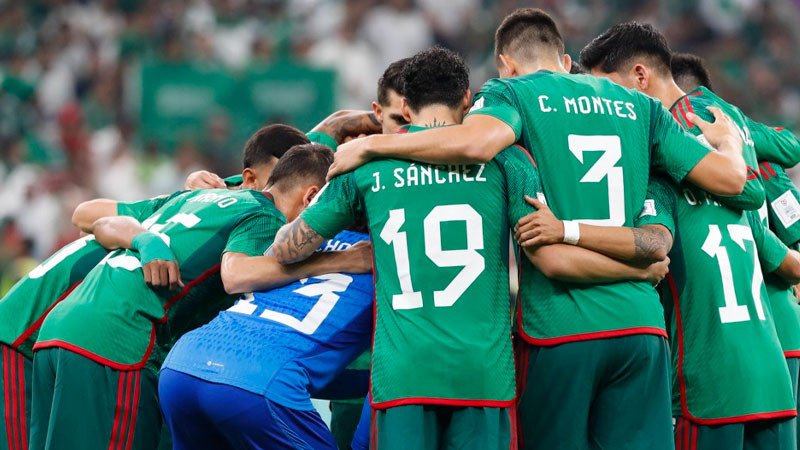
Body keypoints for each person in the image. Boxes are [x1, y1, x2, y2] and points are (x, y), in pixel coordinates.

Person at [326, 8, 748, 449]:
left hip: (559, 325)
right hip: (641, 327)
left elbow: (475, 143)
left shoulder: (510, 93)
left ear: (506, 64)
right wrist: (730, 142)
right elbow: (731, 180)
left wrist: (376, 145)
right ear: (565, 60)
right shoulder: (642, 106)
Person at [270, 46, 672, 450]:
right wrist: (638, 271)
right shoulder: (509, 161)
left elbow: (286, 249)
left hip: (404, 376)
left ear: (405, 107)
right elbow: (550, 256)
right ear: (467, 100)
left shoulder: (364, 166)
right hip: (484, 378)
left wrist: (340, 255)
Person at [28, 144, 371, 450]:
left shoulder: (194, 196)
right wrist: (338, 259)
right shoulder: (268, 215)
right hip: (119, 339)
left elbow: (94, 218)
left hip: (59, 326)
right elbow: (236, 274)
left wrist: (145, 239)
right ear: (312, 199)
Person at [580, 21, 800, 448]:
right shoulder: (727, 127)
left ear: (640, 76)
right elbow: (757, 190)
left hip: (709, 373)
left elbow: (655, 243)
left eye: (607, 88)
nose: (605, 104)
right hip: (767, 364)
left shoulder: (659, 141)